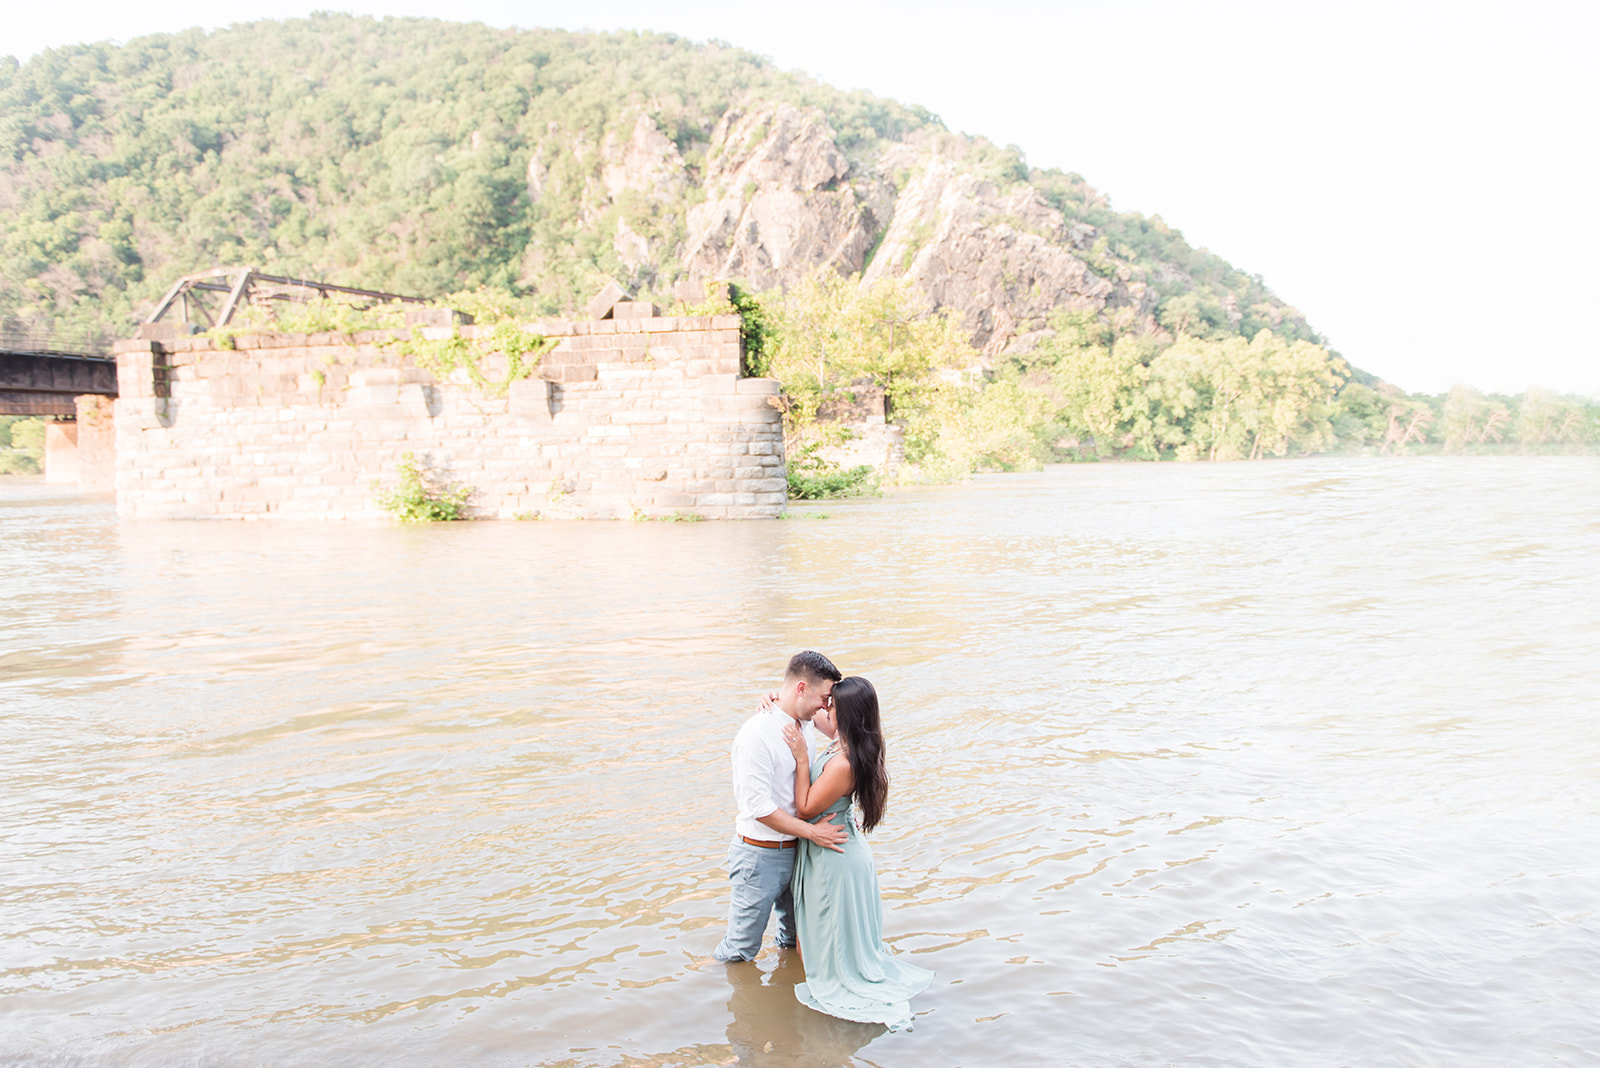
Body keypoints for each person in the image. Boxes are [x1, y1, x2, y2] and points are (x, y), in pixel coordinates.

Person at [780, 676, 933, 1030]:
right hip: (832, 848)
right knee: (817, 939)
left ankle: (824, 1022)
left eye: (831, 704)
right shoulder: (842, 740)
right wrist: (777, 698)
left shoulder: (844, 763)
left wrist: (803, 759)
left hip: (834, 856)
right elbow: (806, 710)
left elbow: (804, 808)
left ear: (847, 714)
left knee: (819, 942)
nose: (825, 708)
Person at [712, 651, 849, 963]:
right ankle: (703, 993)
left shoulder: (807, 720)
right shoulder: (757, 734)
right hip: (760, 856)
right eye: (824, 698)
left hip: (799, 852)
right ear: (801, 688)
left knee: (794, 941)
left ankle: (788, 999)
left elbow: (852, 726)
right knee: (740, 949)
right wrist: (814, 833)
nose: (826, 707)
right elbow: (758, 807)